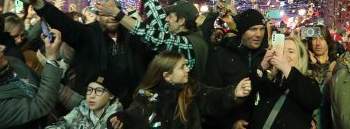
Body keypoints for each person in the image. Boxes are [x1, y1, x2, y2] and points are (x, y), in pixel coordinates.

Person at [21, 0, 151, 107]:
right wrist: (40, 4)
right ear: (98, 16)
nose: (111, 17)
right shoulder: (88, 34)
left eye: (114, 13)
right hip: (93, 106)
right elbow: (65, 24)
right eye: (106, 14)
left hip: (129, 105)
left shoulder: (135, 36)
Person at [95, 0, 208, 82]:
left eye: (170, 17)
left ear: (181, 21)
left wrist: (116, 13)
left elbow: (153, 36)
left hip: (183, 99)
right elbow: (158, 17)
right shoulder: (186, 33)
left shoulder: (190, 44)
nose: (166, 20)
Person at [108, 51, 251, 129]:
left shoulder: (191, 89)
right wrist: (122, 120)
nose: (187, 69)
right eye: (182, 67)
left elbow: (212, 97)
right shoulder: (148, 95)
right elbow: (136, 113)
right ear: (167, 75)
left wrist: (233, 93)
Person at [206, 8, 268, 129]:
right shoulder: (221, 57)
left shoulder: (267, 57)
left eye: (262, 29)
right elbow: (211, 97)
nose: (259, 34)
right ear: (242, 32)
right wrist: (230, 124)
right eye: (253, 29)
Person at [250, 35, 322, 128]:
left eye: (291, 51)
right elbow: (248, 93)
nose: (285, 55)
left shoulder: (307, 80)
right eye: (282, 51)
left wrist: (286, 68)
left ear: (300, 56)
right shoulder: (271, 78)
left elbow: (314, 101)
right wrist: (262, 66)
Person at [45, 71, 123, 128]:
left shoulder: (116, 121)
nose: (91, 96)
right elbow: (65, 122)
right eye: (89, 90)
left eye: (99, 91)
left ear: (111, 95)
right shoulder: (83, 108)